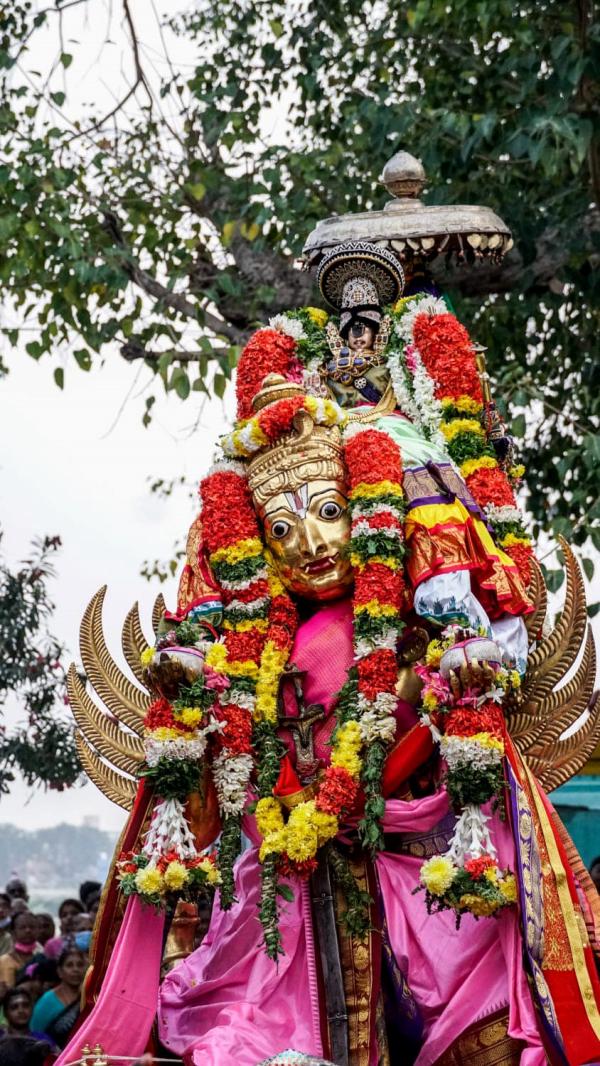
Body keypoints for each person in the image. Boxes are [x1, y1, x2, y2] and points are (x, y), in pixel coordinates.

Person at [55, 151, 600, 1066]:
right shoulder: (262, 623)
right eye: (285, 529)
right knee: (233, 1021)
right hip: (285, 865)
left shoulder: (413, 494)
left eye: (332, 521)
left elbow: (452, 679)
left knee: (481, 1015)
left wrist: (434, 703)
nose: (312, 546)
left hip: (414, 847)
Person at [29, 948, 85, 1050]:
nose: (75, 969)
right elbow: (35, 1035)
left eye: (80, 965)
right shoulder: (47, 1001)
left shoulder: (88, 998)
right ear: (60, 972)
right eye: (69, 965)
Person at [0, 913, 41, 989]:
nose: (28, 930)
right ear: (13, 933)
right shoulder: (5, 960)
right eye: (22, 927)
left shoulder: (41, 956)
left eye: (32, 927)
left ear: (38, 931)